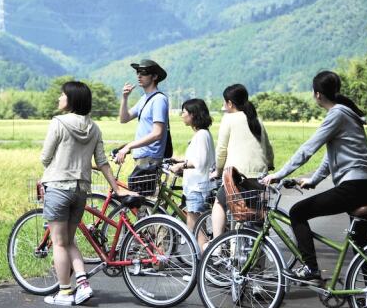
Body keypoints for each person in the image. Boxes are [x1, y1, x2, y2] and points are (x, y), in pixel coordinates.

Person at [262, 71, 367, 284]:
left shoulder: (337, 114)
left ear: (317, 94)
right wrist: (313, 180)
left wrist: (278, 174)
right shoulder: (347, 114)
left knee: (298, 212)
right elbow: (329, 157)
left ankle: (310, 268)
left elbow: (308, 149)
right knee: (362, 249)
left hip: (354, 187)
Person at [40, 81, 122, 306]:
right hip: (81, 191)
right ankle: (83, 285)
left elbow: (45, 157)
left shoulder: (58, 123)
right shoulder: (95, 128)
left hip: (58, 187)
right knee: (69, 240)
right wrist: (116, 188)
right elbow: (103, 162)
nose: (59, 98)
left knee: (58, 242)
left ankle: (65, 292)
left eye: (62, 95)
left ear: (71, 100)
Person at [210, 84, 274, 249]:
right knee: (256, 215)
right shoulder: (256, 119)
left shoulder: (229, 119)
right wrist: (270, 164)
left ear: (230, 103)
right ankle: (259, 262)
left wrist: (217, 171)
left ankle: (216, 246)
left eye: (225, 103)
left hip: (238, 177)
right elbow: (267, 147)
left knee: (220, 202)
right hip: (259, 176)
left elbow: (221, 150)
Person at [170, 99, 215, 251]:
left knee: (194, 228)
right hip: (198, 185)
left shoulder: (201, 135)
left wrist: (180, 166)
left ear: (193, 115)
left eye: (184, 112)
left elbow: (200, 162)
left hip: (197, 187)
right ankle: (203, 261)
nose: (181, 115)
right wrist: (180, 159)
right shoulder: (202, 134)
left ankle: (203, 262)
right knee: (197, 226)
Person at [115, 59, 170, 169]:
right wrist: (125, 98)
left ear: (154, 77)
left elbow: (157, 133)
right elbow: (124, 119)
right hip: (142, 157)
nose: (139, 76)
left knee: (143, 186)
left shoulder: (159, 99)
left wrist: (129, 146)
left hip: (150, 158)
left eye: (144, 73)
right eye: (138, 72)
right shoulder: (144, 99)